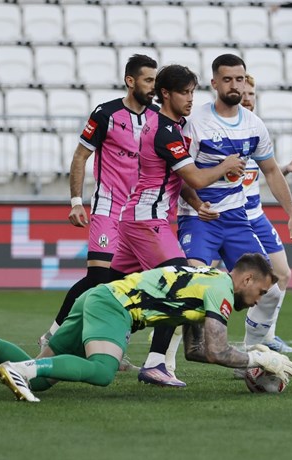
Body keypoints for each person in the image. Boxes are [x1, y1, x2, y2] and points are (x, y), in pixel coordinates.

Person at [0, 254, 292, 403]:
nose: (259, 298)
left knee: (43, 377)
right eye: (260, 291)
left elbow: (197, 352)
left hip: (99, 299)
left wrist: (251, 360)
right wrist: (259, 358)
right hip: (115, 306)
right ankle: (20, 370)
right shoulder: (221, 290)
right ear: (246, 278)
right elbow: (218, 351)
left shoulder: (208, 282)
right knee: (102, 372)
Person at [143, 54, 292, 386]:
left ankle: (249, 354)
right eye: (228, 79)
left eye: (240, 79)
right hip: (199, 218)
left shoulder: (254, 125)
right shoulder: (196, 122)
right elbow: (182, 173)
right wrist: (198, 202)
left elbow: (271, 171)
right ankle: (163, 363)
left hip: (236, 218)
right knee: (188, 287)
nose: (235, 85)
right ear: (215, 83)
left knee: (270, 288)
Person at [109, 65, 246, 386]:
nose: (190, 99)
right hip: (147, 221)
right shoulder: (165, 131)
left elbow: (179, 179)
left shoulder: (170, 125)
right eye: (184, 92)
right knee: (180, 282)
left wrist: (198, 205)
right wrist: (225, 165)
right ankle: (157, 362)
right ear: (165, 94)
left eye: (192, 92)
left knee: (104, 286)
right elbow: (195, 176)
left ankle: (61, 343)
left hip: (137, 219)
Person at [37, 55, 159, 351]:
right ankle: (53, 337)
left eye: (155, 80)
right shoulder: (106, 113)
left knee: (127, 284)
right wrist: (76, 201)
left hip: (140, 214)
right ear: (130, 81)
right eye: (148, 80)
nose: (153, 87)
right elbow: (81, 155)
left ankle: (111, 345)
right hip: (108, 205)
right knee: (97, 279)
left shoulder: (158, 117)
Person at [224, 73, 292, 355]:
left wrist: (285, 169)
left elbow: (258, 174)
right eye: (243, 93)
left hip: (255, 214)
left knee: (282, 273)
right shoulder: (223, 128)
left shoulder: (256, 129)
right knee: (207, 278)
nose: (247, 98)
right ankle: (177, 331)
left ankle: (266, 336)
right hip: (229, 216)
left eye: (252, 95)